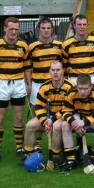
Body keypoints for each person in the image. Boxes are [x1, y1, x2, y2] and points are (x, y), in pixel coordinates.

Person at [0, 17, 31, 163]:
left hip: (18, 84)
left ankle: (19, 148)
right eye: (11, 29)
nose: (14, 32)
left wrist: (29, 83)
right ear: (4, 28)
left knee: (18, 117)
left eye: (16, 29)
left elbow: (27, 66)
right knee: (0, 118)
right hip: (1, 84)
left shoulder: (23, 45)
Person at [22, 61, 75, 171]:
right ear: (49, 72)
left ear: (62, 72)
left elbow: (69, 108)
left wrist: (52, 120)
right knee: (29, 125)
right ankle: (30, 158)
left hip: (63, 116)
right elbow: (38, 107)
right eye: (53, 70)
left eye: (58, 70)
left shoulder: (70, 87)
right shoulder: (44, 87)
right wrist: (44, 121)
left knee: (56, 126)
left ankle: (54, 158)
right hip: (48, 117)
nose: (55, 73)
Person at [27, 17, 63, 150]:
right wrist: (29, 84)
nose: (46, 30)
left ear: (52, 29)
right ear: (39, 30)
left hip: (55, 86)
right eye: (43, 28)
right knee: (36, 116)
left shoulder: (59, 46)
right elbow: (27, 67)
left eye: (48, 28)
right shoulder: (32, 47)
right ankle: (38, 146)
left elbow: (63, 65)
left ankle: (57, 145)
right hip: (38, 85)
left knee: (56, 114)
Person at [61, 74, 94, 169]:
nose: (82, 92)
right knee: (65, 124)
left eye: (85, 89)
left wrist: (84, 122)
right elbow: (65, 111)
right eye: (80, 88)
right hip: (78, 118)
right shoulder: (71, 92)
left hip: (93, 120)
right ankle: (71, 160)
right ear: (76, 86)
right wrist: (74, 123)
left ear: (91, 86)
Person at [62, 14, 94, 86]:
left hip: (93, 78)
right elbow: (65, 64)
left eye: (84, 24)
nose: (82, 27)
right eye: (79, 24)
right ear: (74, 25)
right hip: (75, 79)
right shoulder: (66, 44)